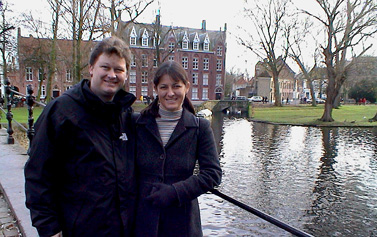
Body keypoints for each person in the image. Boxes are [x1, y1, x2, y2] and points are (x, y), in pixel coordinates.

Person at [24, 36, 137, 237]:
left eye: (118, 70)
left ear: (126, 74)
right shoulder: (62, 111)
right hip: (79, 228)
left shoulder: (124, 114)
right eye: (105, 67)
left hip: (121, 228)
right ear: (91, 68)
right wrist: (49, 227)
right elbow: (38, 171)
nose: (112, 75)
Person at [133, 61, 222, 237]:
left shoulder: (199, 127)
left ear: (187, 87)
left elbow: (212, 174)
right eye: (164, 87)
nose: (170, 93)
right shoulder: (137, 124)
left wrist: (175, 192)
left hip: (183, 222)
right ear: (156, 89)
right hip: (144, 220)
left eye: (176, 86)